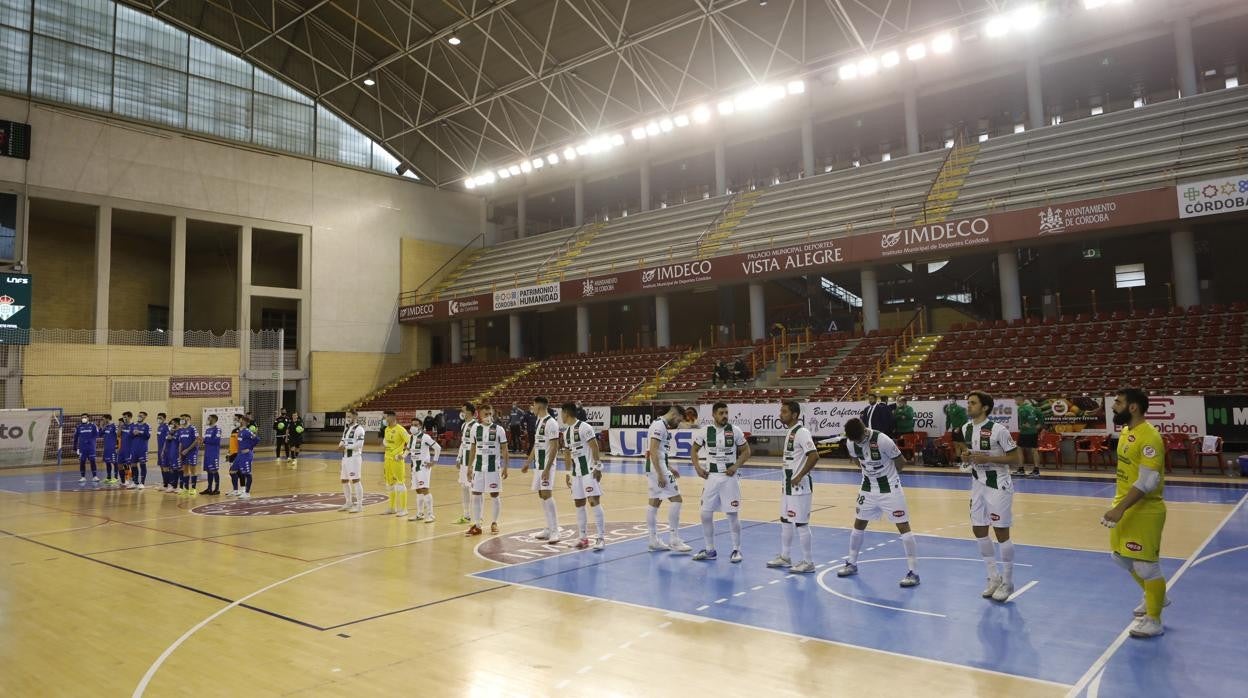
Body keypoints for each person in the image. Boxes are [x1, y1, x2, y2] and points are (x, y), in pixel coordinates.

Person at [1102, 388, 1169, 638]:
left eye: (1117, 402)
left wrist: (1120, 509)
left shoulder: (1149, 437)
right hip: (1125, 504)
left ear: (1133, 407)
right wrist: (1117, 505)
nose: (1113, 406)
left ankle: (1154, 619)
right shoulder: (1126, 431)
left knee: (1147, 567)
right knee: (1121, 557)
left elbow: (1148, 481)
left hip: (1145, 510)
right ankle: (1156, 595)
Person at [836, 417, 920, 587]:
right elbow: (856, 461)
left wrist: (887, 475)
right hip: (867, 487)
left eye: (859, 439)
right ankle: (852, 563)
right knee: (858, 524)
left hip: (890, 488)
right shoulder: (851, 443)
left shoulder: (883, 440)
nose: (857, 443)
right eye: (854, 441)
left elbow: (901, 462)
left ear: (864, 431)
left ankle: (914, 573)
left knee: (903, 527)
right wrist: (870, 473)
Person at [960, 391, 1023, 602]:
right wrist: (967, 457)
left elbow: (1016, 459)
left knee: (1001, 532)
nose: (968, 406)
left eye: (973, 403)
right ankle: (993, 577)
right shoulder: (966, 428)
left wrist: (988, 457)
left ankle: (1008, 581)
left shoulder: (998, 430)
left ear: (985, 407)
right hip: (977, 483)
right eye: (968, 403)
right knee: (978, 529)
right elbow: (972, 454)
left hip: (998, 484)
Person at [690, 402, 750, 563]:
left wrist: (736, 466)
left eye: (726, 413)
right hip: (711, 478)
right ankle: (710, 550)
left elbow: (746, 451)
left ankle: (736, 550)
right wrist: (697, 468)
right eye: (721, 413)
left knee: (732, 514)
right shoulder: (705, 431)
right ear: (714, 415)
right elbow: (693, 450)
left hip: (729, 479)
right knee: (705, 514)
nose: (725, 416)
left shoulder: (735, 430)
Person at [768, 400, 819, 573]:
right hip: (788, 487)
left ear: (794, 415)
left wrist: (799, 476)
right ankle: (785, 556)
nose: (780, 414)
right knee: (785, 521)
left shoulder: (802, 432)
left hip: (800, 487)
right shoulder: (790, 431)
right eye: (780, 411)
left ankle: (808, 562)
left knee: (801, 524)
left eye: (784, 412)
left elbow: (814, 456)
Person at [644, 405, 692, 553]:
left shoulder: (660, 424)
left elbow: (659, 452)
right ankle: (674, 539)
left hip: (653, 467)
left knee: (654, 502)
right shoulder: (659, 426)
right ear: (674, 414)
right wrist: (660, 473)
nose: (677, 423)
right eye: (679, 420)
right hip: (657, 468)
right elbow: (653, 450)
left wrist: (669, 467)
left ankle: (653, 540)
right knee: (677, 500)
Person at [560, 401, 606, 550]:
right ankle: (583, 538)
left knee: (593, 502)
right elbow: (567, 453)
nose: (561, 416)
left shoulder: (585, 427)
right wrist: (567, 473)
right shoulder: (566, 432)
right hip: (576, 473)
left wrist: (598, 466)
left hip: (589, 471)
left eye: (562, 413)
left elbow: (594, 446)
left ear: (566, 413)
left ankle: (600, 538)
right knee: (579, 504)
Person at [520, 397, 562, 540]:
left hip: (547, 465)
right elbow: (536, 445)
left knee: (547, 494)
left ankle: (555, 530)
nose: (532, 408)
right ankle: (549, 527)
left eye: (533, 405)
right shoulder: (539, 421)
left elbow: (555, 447)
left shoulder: (551, 423)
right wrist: (528, 462)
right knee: (541, 495)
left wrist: (547, 468)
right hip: (538, 464)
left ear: (539, 406)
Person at [467, 404, 509, 536]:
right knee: (476, 494)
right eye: (485, 414)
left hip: (493, 468)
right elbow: (473, 449)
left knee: (494, 494)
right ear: (479, 415)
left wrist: (506, 467)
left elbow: (505, 449)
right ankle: (477, 525)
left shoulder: (499, 429)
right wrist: (469, 467)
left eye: (490, 414)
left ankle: (494, 522)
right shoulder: (475, 429)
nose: (488, 417)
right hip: (478, 467)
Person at [407, 419, 442, 522]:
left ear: (420, 427)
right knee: (418, 490)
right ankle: (420, 514)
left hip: (423, 467)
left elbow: (438, 448)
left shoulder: (425, 437)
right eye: (412, 424)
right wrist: (402, 456)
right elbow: (408, 449)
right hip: (414, 467)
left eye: (416, 425)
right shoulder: (411, 438)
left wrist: (434, 461)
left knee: (424, 489)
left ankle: (431, 515)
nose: (413, 427)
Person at [382, 410, 410, 518]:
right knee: (390, 484)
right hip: (387, 459)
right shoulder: (386, 429)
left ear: (392, 418)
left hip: (397, 460)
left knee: (400, 483)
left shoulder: (400, 429)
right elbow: (386, 442)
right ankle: (392, 508)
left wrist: (404, 455)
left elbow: (410, 442)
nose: (384, 420)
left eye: (386, 418)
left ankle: (404, 509)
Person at [338, 410, 367, 513]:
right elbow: (343, 439)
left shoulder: (360, 429)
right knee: (344, 480)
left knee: (355, 480)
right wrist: (340, 445)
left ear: (355, 417)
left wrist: (346, 447)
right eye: (347, 416)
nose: (348, 418)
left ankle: (359, 505)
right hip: (345, 458)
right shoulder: (346, 428)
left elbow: (360, 444)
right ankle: (348, 502)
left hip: (354, 458)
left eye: (349, 416)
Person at [455, 402, 478, 524]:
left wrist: (472, 463)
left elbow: (476, 446)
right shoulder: (464, 425)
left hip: (472, 462)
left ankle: (476, 516)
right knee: (464, 487)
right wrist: (458, 458)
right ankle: (466, 515)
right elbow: (463, 444)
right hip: (463, 461)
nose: (461, 412)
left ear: (469, 411)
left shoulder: (476, 426)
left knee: (472, 488)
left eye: (463, 410)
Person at [1016, 397, 1044, 477]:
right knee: (1034, 450)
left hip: (1025, 432)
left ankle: (1021, 469)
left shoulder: (1021, 409)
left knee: (1019, 448)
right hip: (1034, 432)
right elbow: (1041, 417)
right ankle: (1036, 470)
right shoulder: (1033, 408)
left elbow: (1023, 422)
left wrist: (1024, 425)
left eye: (1016, 400)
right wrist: (1038, 425)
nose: (1015, 402)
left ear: (1020, 400)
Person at [235, 415, 258, 500]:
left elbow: (256, 439)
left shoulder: (247, 431)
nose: (239, 420)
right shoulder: (241, 431)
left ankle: (247, 493)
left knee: (248, 474)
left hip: (247, 455)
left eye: (241, 420)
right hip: (241, 455)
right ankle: (243, 491)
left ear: (244, 421)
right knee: (243, 472)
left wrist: (249, 448)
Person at [177, 414, 200, 497]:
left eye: (183, 418)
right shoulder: (180, 430)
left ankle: (193, 489)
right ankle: (186, 489)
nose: (182, 420)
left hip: (192, 452)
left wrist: (188, 449)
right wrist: (180, 453)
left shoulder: (192, 428)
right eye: (181, 419)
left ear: (188, 419)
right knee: (185, 471)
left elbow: (197, 440)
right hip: (184, 453)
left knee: (193, 470)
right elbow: (180, 443)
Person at [128, 412, 151, 490]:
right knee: (133, 465)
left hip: (142, 449)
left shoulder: (147, 426)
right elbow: (130, 435)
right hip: (134, 449)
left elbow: (147, 436)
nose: (139, 417)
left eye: (141, 416)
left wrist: (140, 433)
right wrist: (133, 433)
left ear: (145, 417)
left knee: (142, 464)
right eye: (139, 415)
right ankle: (135, 482)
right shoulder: (133, 425)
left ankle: (142, 483)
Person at [201, 414, 223, 495]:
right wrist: (202, 441)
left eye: (209, 418)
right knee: (208, 471)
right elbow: (206, 441)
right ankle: (209, 488)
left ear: (213, 420)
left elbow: (216, 441)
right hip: (207, 453)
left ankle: (217, 489)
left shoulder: (217, 430)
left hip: (213, 453)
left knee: (214, 470)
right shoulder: (207, 430)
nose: (207, 420)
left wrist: (205, 441)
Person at [74, 413, 99, 484]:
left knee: (92, 461)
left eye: (85, 417)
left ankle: (95, 476)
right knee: (82, 462)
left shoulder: (93, 425)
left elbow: (97, 434)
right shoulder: (79, 427)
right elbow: (75, 438)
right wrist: (75, 447)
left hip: (91, 447)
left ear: (88, 418)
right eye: (82, 417)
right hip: (82, 448)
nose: (83, 419)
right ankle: (83, 477)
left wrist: (90, 440)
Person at [944, 396, 969, 463]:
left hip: (961, 428)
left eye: (952, 399)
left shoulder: (960, 408)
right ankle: (958, 460)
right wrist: (947, 427)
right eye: (950, 399)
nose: (951, 400)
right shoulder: (948, 409)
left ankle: (967, 460)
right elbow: (948, 419)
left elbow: (965, 419)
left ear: (955, 400)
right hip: (954, 428)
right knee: (956, 444)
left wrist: (959, 427)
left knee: (962, 445)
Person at [893, 396, 916, 463]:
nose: (900, 403)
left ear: (905, 402)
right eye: (900, 401)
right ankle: (902, 458)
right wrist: (901, 416)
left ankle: (910, 457)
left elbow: (910, 416)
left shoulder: (909, 408)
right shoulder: (897, 409)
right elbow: (895, 416)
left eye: (902, 402)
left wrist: (903, 413)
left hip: (908, 430)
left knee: (909, 445)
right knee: (900, 445)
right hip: (899, 430)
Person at [100, 415, 118, 486]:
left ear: (108, 419)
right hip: (106, 448)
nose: (102, 420)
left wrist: (117, 446)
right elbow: (100, 434)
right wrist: (102, 427)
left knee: (114, 462)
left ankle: (116, 477)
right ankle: (108, 477)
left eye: (103, 419)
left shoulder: (114, 426)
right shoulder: (105, 427)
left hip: (113, 448)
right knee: (107, 462)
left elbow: (118, 435)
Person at [226, 414, 242, 496]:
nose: (234, 420)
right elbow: (232, 443)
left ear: (240, 420)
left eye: (235, 419)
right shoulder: (234, 430)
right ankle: (236, 489)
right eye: (234, 419)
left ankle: (238, 490)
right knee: (234, 472)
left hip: (237, 454)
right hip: (232, 454)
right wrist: (228, 452)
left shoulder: (242, 431)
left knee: (232, 472)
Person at [155, 413, 171, 490]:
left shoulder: (167, 427)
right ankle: (165, 484)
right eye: (158, 418)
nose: (158, 419)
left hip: (165, 450)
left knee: (166, 467)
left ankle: (169, 484)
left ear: (164, 418)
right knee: (161, 467)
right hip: (160, 449)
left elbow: (167, 439)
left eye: (160, 418)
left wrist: (164, 450)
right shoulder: (159, 427)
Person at [118, 412, 133, 488]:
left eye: (125, 417)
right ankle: (123, 481)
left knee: (128, 465)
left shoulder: (133, 426)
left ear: (130, 417)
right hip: (122, 449)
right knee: (120, 465)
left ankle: (128, 480)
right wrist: (120, 427)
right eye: (123, 417)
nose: (124, 418)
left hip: (129, 449)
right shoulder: (122, 426)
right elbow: (118, 435)